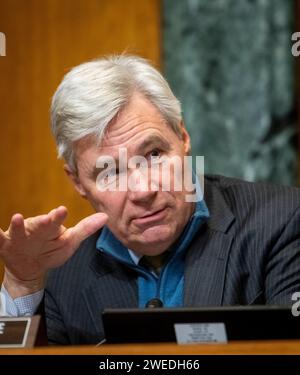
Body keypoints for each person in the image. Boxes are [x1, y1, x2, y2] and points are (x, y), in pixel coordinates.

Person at [0, 55, 300, 345]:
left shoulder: (282, 221)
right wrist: (22, 283)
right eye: (111, 171)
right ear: (78, 181)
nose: (143, 190)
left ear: (182, 137)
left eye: (154, 155)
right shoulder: (58, 271)